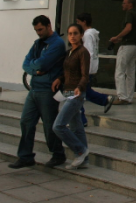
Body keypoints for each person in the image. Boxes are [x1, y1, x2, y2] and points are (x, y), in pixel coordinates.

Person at [9, 15, 67, 169]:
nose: (38, 33)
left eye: (40, 29)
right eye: (36, 30)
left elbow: (43, 63)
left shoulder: (57, 44)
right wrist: (36, 71)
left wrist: (35, 67)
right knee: (26, 122)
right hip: (35, 89)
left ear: (49, 26)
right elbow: (26, 64)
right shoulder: (37, 44)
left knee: (49, 125)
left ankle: (58, 154)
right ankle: (25, 156)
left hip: (48, 90)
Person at [52, 23, 91, 169]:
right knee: (76, 127)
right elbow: (68, 72)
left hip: (76, 93)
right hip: (67, 92)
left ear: (81, 35)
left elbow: (84, 75)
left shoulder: (83, 52)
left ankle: (80, 151)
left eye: (75, 33)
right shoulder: (69, 52)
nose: (72, 36)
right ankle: (84, 160)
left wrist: (80, 88)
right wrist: (60, 79)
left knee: (58, 126)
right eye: (70, 34)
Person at [77, 12, 116, 125]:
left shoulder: (87, 35)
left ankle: (81, 119)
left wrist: (83, 67)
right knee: (86, 91)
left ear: (84, 22)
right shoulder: (92, 34)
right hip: (91, 66)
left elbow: (88, 52)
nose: (77, 24)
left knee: (79, 93)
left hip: (86, 67)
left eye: (78, 22)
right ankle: (105, 100)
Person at [109, 0, 136, 105]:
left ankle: (122, 97)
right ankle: (129, 97)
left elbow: (128, 28)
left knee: (120, 71)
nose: (122, 5)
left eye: (124, 3)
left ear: (130, 5)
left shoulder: (129, 14)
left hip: (127, 46)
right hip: (134, 46)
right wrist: (120, 38)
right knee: (131, 72)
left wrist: (116, 37)